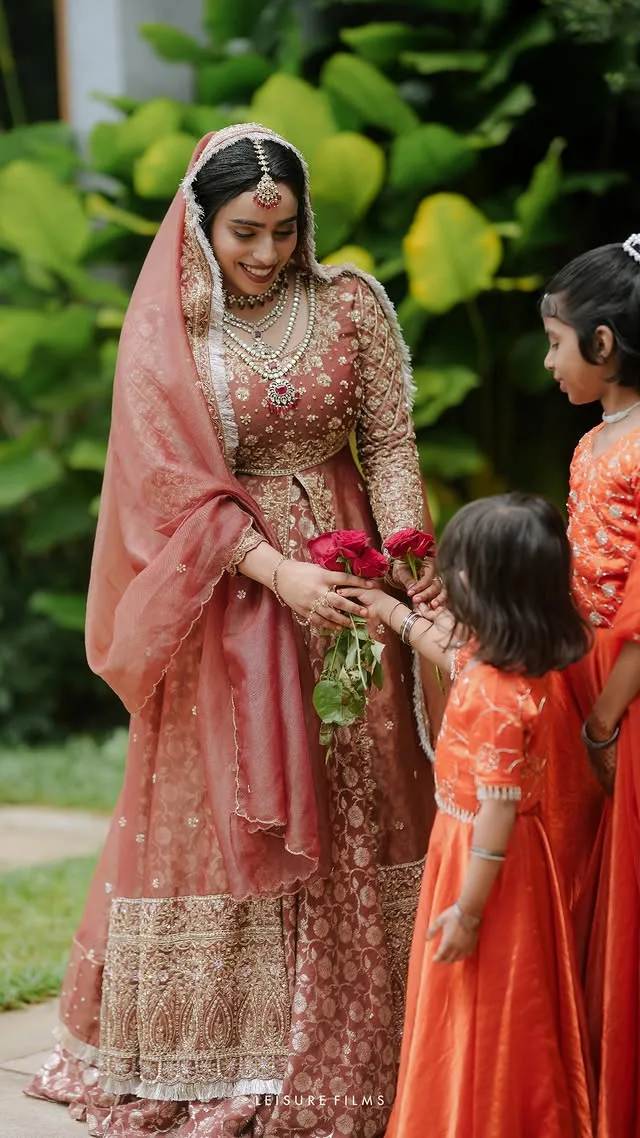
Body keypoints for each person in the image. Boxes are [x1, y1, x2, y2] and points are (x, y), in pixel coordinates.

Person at [26, 123, 444, 1138]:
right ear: (203, 221)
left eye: (282, 229)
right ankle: (238, 1059)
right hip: (234, 600)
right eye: (243, 230)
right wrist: (275, 570)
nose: (264, 251)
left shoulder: (349, 304)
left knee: (365, 793)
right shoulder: (176, 327)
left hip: (351, 587)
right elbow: (163, 488)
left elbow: (388, 441)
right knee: (240, 809)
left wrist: (408, 565)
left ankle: (390, 1040)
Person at [344, 493, 595, 1137]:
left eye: (458, 571)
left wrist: (469, 908)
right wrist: (387, 610)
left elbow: (497, 812)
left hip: (488, 868)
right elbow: (446, 652)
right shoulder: (507, 667)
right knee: (495, 1000)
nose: (448, 581)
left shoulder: (494, 694)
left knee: (483, 1001)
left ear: (489, 591)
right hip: (506, 858)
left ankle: (477, 1117)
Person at [541, 237, 640, 1138]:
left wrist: (608, 718)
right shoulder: (596, 440)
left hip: (630, 696)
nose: (548, 360)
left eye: (558, 342)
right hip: (590, 678)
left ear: (603, 345)